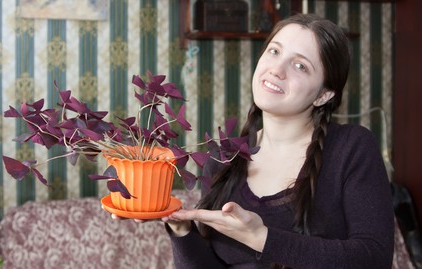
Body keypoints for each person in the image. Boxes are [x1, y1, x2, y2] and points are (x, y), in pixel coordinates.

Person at [161, 13, 395, 269]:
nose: (277, 69)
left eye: (300, 66)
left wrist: (262, 239)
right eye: (274, 51)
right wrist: (181, 228)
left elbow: (374, 257)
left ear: (323, 95)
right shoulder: (223, 158)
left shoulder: (352, 148)